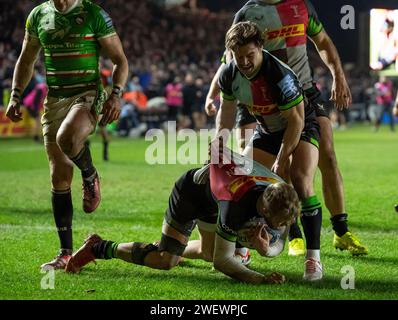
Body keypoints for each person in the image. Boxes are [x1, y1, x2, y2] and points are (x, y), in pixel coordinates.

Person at [205, 0, 367, 257]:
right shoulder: (246, 13)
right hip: (260, 98)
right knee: (257, 170)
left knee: (325, 156)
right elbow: (232, 55)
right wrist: (214, 92)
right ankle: (289, 234)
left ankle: (341, 231)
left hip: (304, 93)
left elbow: (322, 41)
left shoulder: (301, 6)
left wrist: (338, 74)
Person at [5, 0, 128, 270]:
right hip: (55, 99)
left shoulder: (92, 13)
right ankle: (65, 253)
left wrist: (116, 95)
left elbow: (120, 60)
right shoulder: (39, 15)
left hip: (87, 93)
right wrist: (15, 96)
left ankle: (90, 173)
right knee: (59, 174)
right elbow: (26, 59)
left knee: (68, 138)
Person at [66, 149, 299, 284]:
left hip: (213, 197)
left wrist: (265, 249)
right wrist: (261, 279)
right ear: (265, 211)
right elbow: (223, 262)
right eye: (276, 224)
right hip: (189, 193)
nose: (279, 228)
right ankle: (99, 247)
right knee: (166, 261)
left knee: (207, 253)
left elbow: (278, 243)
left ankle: (172, 245)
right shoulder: (234, 205)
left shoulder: (282, 195)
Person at [213, 21, 324, 280]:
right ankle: (243, 249)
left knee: (300, 180)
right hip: (266, 131)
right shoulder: (229, 73)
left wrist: (283, 158)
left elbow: (296, 120)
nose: (244, 62)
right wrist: (219, 144)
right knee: (244, 182)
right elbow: (226, 113)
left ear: (261, 48)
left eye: (249, 55)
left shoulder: (279, 75)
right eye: (239, 57)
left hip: (301, 127)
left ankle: (313, 258)